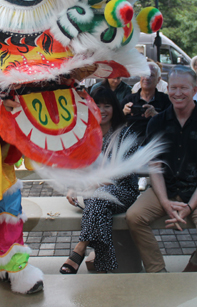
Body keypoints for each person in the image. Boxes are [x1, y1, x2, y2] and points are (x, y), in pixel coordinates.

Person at [126, 66, 197, 273]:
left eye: (184, 88)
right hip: (167, 186)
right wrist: (164, 201)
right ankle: (157, 270)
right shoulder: (157, 122)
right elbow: (155, 166)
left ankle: (195, 264)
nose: (178, 93)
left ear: (194, 89)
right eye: (173, 88)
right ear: (167, 88)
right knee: (134, 217)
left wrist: (189, 206)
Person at [59, 87, 140, 274]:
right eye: (97, 105)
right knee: (98, 201)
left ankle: (79, 249)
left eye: (107, 105)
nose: (102, 110)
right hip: (93, 194)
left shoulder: (126, 134)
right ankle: (104, 265)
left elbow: (123, 173)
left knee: (98, 198)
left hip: (122, 191)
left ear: (115, 108)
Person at [122, 62, 171, 141]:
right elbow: (114, 123)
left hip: (156, 144)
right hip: (132, 144)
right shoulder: (129, 100)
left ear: (158, 80)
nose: (147, 78)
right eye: (144, 74)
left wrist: (156, 115)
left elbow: (172, 125)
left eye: (151, 75)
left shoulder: (166, 100)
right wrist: (123, 113)